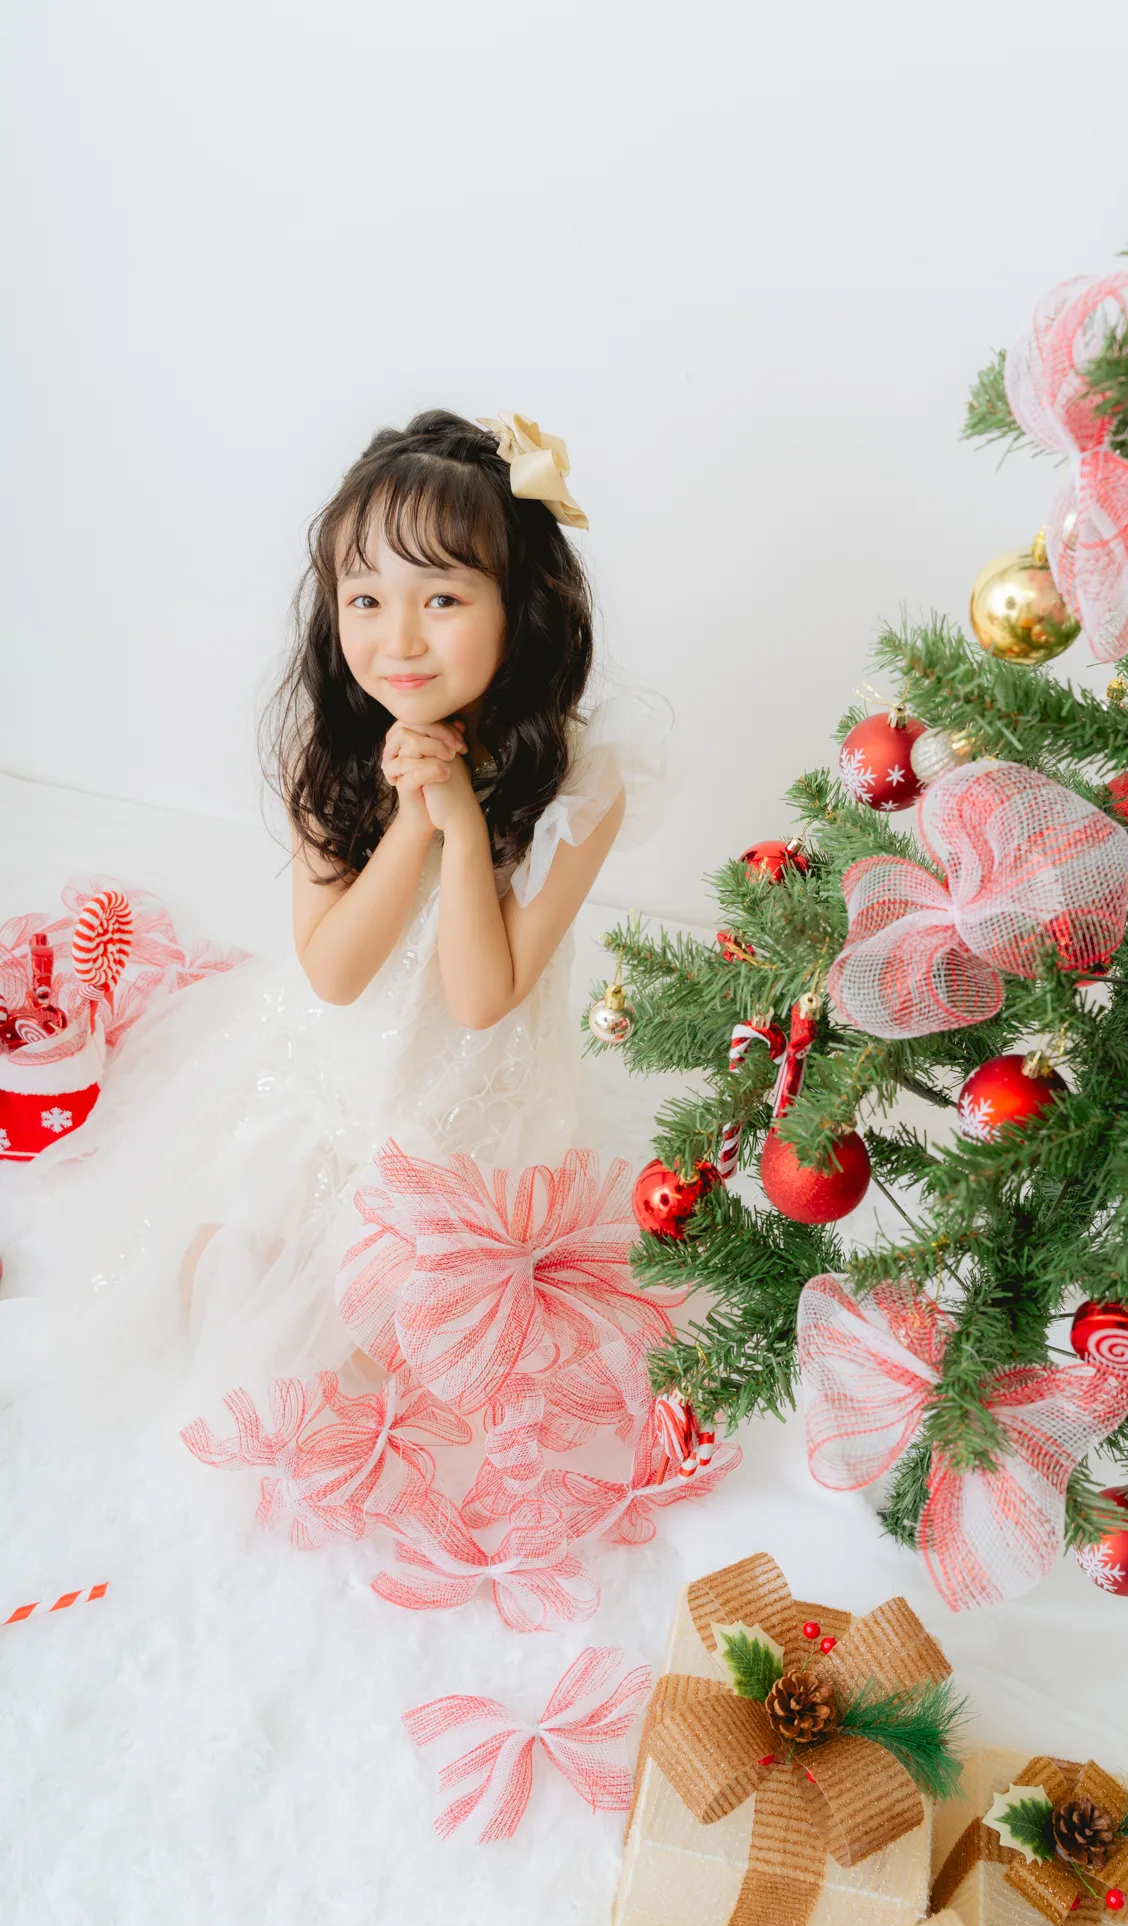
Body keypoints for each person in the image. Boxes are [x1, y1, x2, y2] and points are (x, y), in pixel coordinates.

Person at [2, 409, 663, 1406]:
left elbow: (482, 999)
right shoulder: (328, 747)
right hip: (336, 1073)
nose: (398, 639)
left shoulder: (583, 781)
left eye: (441, 597)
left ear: (520, 606)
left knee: (432, 1357)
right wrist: (412, 823)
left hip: (474, 1106)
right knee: (217, 1294)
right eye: (365, 597)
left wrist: (465, 826)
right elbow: (336, 974)